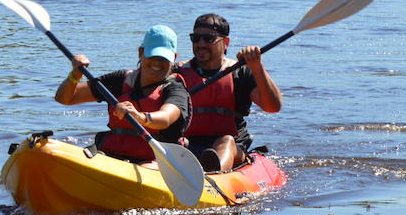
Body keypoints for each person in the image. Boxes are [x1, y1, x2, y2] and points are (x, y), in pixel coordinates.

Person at [54, 25, 189, 163]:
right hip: (113, 156)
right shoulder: (119, 80)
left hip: (156, 163)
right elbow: (65, 98)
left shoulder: (176, 89)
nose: (158, 62)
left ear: (174, 58)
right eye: (153, 55)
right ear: (141, 52)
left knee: (148, 167)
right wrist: (75, 75)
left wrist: (139, 116)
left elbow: (165, 118)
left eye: (164, 58)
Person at [174, 13, 282, 173]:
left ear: (225, 43)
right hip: (187, 144)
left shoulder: (241, 73)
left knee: (226, 142)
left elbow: (273, 106)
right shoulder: (177, 73)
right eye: (196, 38)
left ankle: (213, 175)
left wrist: (257, 67)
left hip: (231, 147)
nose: (201, 44)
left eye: (208, 38)